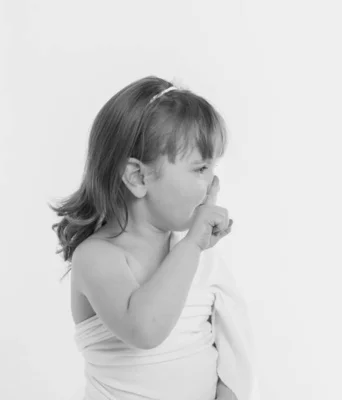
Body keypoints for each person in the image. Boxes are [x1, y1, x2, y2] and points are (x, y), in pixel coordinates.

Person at [51, 76, 254, 400]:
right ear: (138, 177)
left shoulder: (198, 258)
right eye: (200, 168)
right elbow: (145, 330)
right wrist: (191, 245)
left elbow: (230, 350)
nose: (213, 181)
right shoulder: (97, 257)